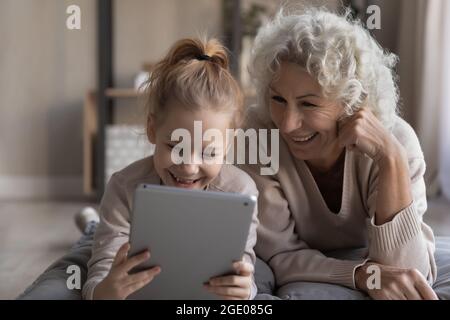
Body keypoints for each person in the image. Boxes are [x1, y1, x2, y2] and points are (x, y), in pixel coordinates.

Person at [240, 7, 450, 300]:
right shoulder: (258, 134)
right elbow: (279, 254)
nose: (287, 124)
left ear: (351, 101)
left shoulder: (398, 143)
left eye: (309, 104)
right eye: (278, 99)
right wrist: (362, 275)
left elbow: (409, 276)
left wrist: (391, 160)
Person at [81, 37, 259, 300]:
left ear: (229, 144)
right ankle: (90, 225)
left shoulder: (241, 191)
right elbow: (102, 270)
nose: (189, 166)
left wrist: (247, 290)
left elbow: (245, 267)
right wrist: (102, 292)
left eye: (209, 152)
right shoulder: (123, 186)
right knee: (92, 238)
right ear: (152, 130)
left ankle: (90, 223)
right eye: (176, 146)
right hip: (115, 226)